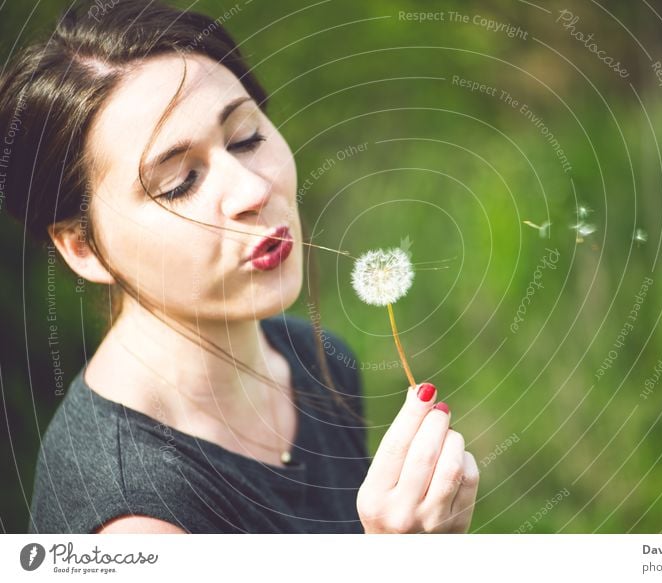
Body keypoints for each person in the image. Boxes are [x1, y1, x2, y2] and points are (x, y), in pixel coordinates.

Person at [0, 0, 479, 533]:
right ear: (81, 248)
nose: (253, 190)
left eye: (246, 137)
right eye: (180, 183)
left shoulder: (325, 366)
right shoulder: (133, 515)